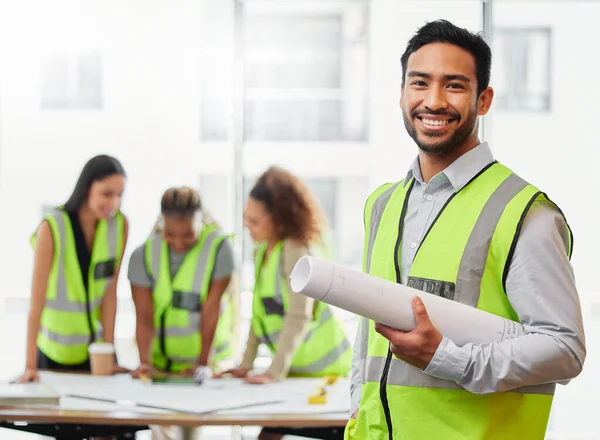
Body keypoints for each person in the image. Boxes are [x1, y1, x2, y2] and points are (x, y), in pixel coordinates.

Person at [345, 20, 586, 440]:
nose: (433, 101)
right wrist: (354, 410)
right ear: (402, 94)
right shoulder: (380, 205)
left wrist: (446, 358)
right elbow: (369, 339)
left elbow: (564, 349)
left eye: (454, 86)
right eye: (419, 83)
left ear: (484, 99)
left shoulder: (524, 212)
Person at [217, 166, 351, 440]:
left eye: (255, 221)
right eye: (246, 219)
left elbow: (298, 315)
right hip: (295, 375)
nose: (247, 227)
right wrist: (245, 364)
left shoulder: (293, 249)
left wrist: (273, 372)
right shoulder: (264, 250)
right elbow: (259, 317)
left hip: (325, 375)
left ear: (277, 220)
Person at [16, 155, 129, 383]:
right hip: (52, 355)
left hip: (95, 353)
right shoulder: (52, 227)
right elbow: (36, 302)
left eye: (119, 195)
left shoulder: (119, 225)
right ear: (87, 187)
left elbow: (109, 295)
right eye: (107, 194)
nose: (114, 204)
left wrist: (109, 354)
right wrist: (29, 366)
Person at [128, 187, 235, 380]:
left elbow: (212, 309)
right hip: (162, 369)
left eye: (188, 235)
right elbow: (144, 316)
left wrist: (203, 365)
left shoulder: (219, 249)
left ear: (200, 220)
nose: (178, 243)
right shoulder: (142, 255)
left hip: (210, 369)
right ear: (162, 222)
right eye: (170, 234)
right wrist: (145, 364)